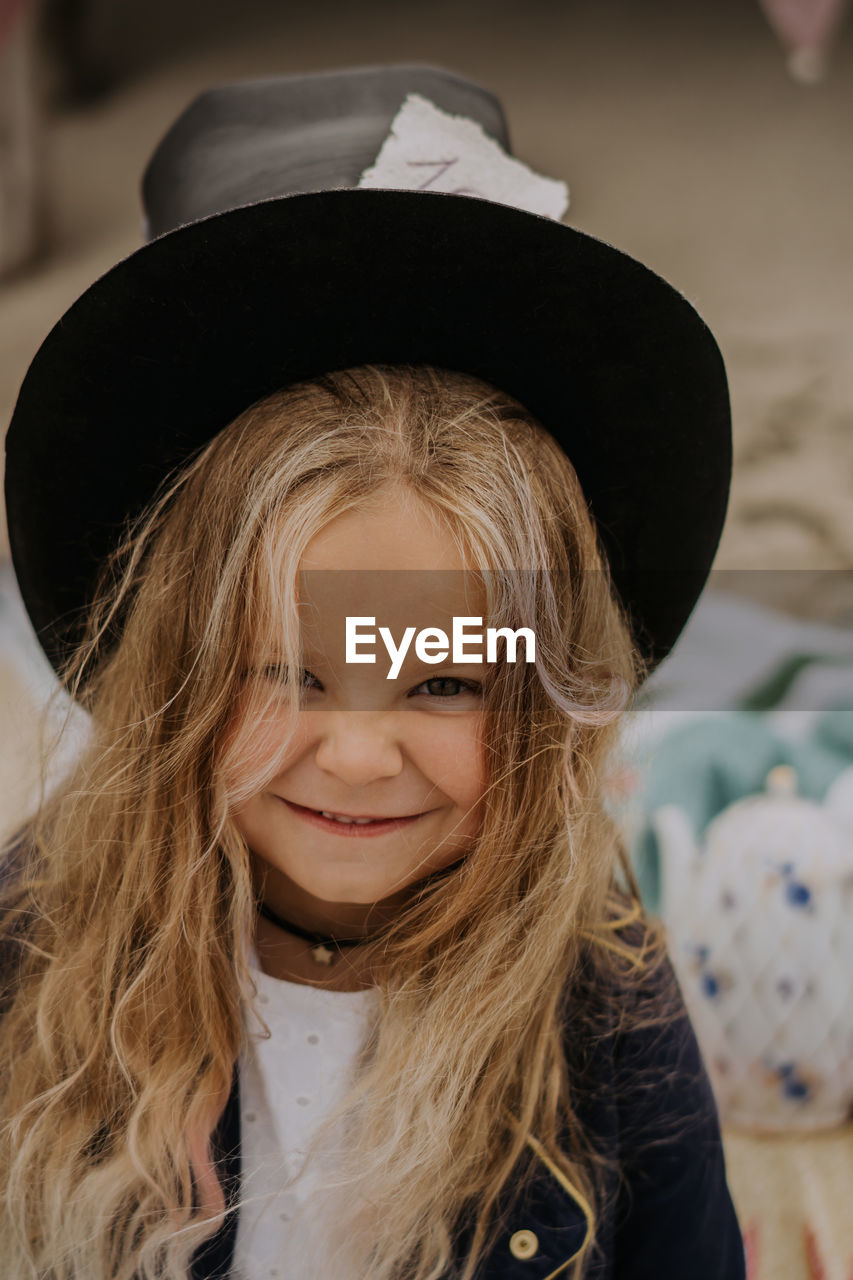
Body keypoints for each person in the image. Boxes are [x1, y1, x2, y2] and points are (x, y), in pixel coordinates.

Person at [0, 66, 745, 1280]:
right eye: (283, 673)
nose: (355, 754)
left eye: (443, 681)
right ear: (171, 678)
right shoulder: (32, 949)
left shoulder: (604, 1005)